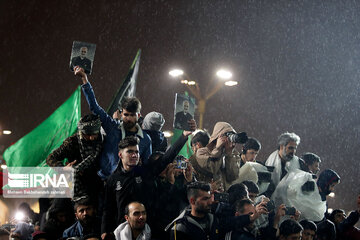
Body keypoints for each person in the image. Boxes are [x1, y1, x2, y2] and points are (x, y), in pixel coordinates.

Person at [102, 121, 195, 239]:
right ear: (120, 155)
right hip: (123, 234)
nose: (134, 155)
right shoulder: (113, 179)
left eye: (136, 152)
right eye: (130, 152)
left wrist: (183, 136)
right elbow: (108, 209)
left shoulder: (145, 172)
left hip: (149, 231)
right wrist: (104, 231)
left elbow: (166, 158)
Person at [75, 66, 152, 179]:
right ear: (121, 114)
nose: (129, 118)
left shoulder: (146, 139)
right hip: (104, 182)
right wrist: (84, 79)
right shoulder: (112, 127)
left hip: (126, 188)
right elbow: (95, 108)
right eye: (126, 115)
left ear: (139, 116)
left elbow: (147, 166)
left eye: (132, 115)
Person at [46, 114, 103, 200]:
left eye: (94, 134)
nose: (91, 138)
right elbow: (50, 158)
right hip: (79, 188)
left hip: (100, 186)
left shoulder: (102, 139)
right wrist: (63, 168)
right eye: (87, 134)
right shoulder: (71, 143)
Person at [192, 122, 244, 191]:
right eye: (226, 135)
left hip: (225, 196)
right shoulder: (202, 152)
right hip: (208, 196)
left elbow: (233, 176)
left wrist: (229, 154)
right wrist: (218, 149)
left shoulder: (233, 154)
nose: (228, 140)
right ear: (218, 136)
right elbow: (212, 169)